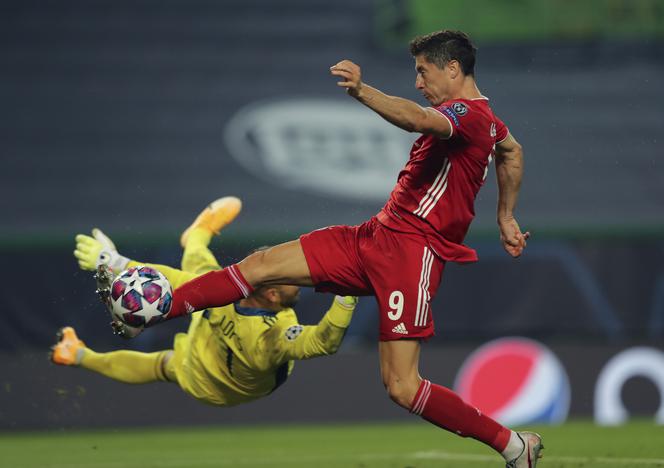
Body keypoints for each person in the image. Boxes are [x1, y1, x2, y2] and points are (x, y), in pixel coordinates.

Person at [132, 30, 542, 467]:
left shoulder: (468, 114)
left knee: (401, 386)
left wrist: (363, 91)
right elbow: (511, 152)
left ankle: (515, 446)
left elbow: (420, 120)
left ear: (453, 69)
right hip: (375, 236)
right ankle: (159, 308)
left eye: (423, 72)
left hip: (413, 254)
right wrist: (505, 215)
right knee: (261, 266)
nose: (419, 82)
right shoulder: (491, 124)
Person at [51, 197, 358, 407]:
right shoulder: (275, 334)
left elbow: (170, 280)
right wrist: (347, 294)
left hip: (205, 374)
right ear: (273, 295)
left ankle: (197, 234)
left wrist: (112, 261)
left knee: (196, 285)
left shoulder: (258, 326)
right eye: (292, 277)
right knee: (198, 275)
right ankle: (76, 354)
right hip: (223, 370)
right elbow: (325, 341)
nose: (301, 278)